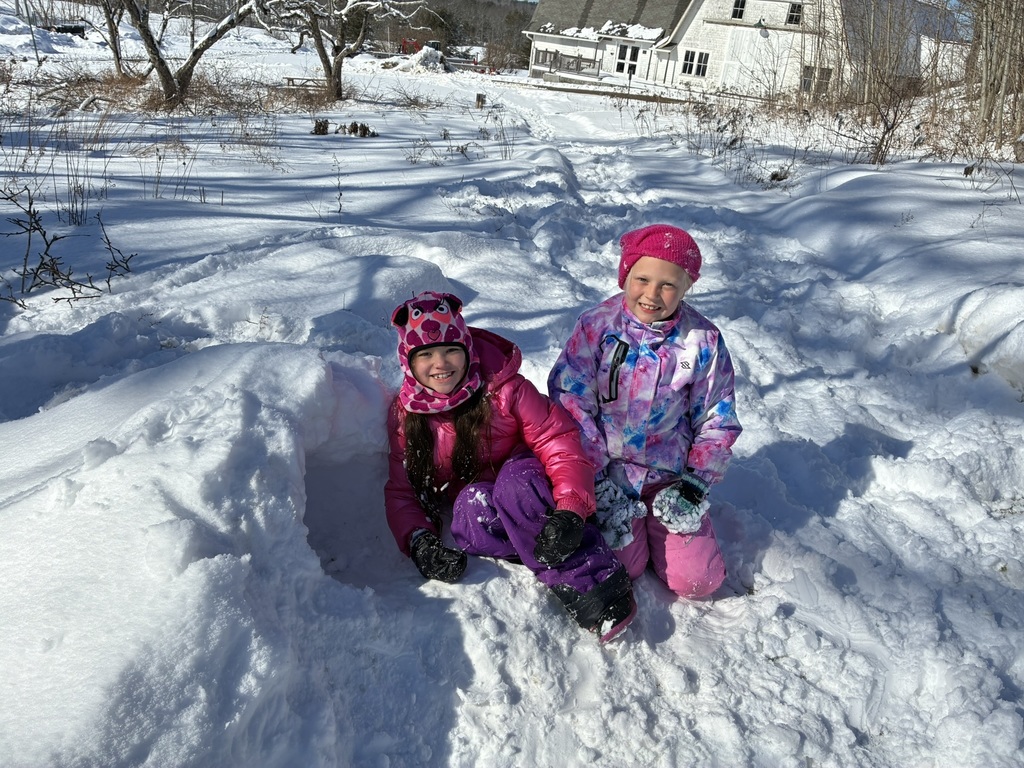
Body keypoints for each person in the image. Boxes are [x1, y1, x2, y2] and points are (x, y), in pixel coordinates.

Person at [384, 290, 636, 642]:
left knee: (515, 486)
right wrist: (419, 541)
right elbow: (403, 489)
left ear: (467, 349)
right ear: (408, 361)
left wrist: (571, 508)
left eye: (450, 350)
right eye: (425, 354)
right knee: (469, 512)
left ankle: (595, 580)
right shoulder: (406, 416)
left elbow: (558, 441)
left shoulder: (505, 389)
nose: (440, 364)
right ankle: (540, 544)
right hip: (488, 500)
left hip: (529, 483)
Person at [547, 224, 742, 599]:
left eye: (668, 285)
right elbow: (571, 399)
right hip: (610, 475)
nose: (652, 294)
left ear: (686, 287)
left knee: (697, 581)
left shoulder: (702, 341)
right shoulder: (597, 327)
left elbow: (716, 415)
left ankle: (668, 534)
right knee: (624, 567)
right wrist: (593, 476)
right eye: (642, 280)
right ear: (625, 276)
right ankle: (637, 537)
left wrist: (694, 483)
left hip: (670, 477)